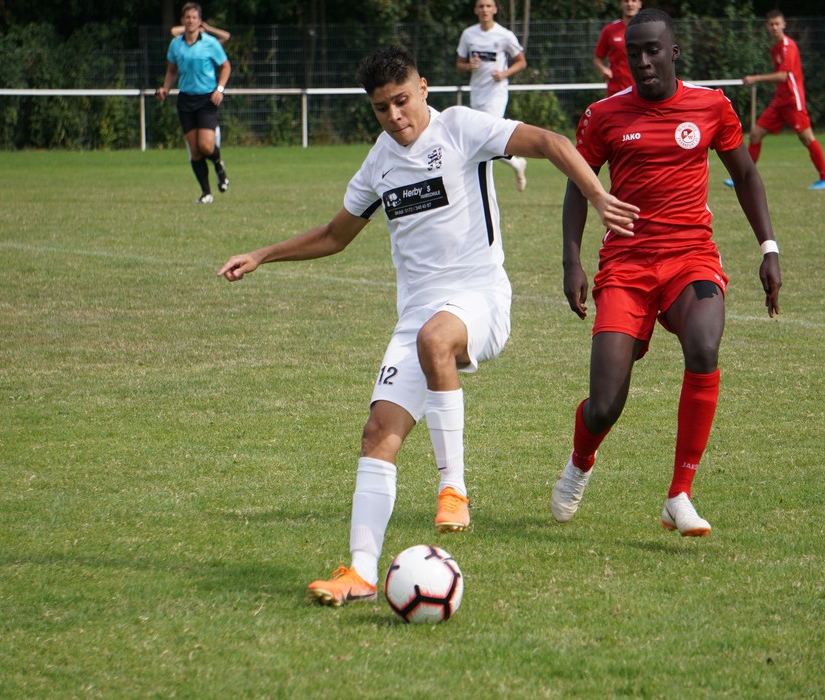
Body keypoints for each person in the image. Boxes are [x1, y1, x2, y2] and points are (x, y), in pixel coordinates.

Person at [218, 46, 638, 605]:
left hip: (481, 299)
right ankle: (362, 573)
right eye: (380, 108)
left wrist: (597, 194)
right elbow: (335, 235)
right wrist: (263, 254)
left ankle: (453, 488)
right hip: (416, 315)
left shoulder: (462, 128)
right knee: (377, 437)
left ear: (423, 87)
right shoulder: (378, 163)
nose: (394, 116)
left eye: (401, 100)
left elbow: (552, 144)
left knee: (435, 338)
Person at [551, 9, 781, 537]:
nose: (643, 61)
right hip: (627, 265)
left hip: (690, 257)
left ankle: (680, 493)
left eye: (653, 50)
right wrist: (572, 259)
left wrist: (768, 246)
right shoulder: (603, 116)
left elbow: (745, 174)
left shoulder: (710, 106)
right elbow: (577, 187)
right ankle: (580, 461)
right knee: (606, 404)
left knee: (704, 346)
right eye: (634, 53)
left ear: (673, 52)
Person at [725, 10, 825, 190]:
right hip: (779, 101)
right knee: (756, 134)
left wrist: (756, 78)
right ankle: (742, 177)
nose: (774, 27)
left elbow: (783, 76)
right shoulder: (774, 48)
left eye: (777, 24)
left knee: (807, 138)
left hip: (792, 101)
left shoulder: (787, 46)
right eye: (771, 24)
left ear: (784, 25)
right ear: (767, 26)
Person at [156, 2, 231, 204]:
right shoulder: (176, 44)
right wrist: (165, 88)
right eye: (187, 17)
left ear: (199, 21)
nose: (190, 20)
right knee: (195, 150)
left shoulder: (210, 43)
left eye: (194, 17)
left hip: (207, 99)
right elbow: (172, 71)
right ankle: (206, 193)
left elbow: (225, 67)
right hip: (186, 100)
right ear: (183, 20)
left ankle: (218, 165)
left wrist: (220, 90)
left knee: (206, 146)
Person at [456, 0, 530, 191]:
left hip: (496, 94)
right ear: (475, 10)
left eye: (488, 6)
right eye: (481, 6)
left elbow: (521, 62)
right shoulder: (468, 34)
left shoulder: (504, 35)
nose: (485, 10)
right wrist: (468, 66)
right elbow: (459, 64)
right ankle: (516, 163)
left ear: (495, 9)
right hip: (477, 93)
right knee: (480, 138)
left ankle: (482, 185)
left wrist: (504, 74)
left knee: (487, 137)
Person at [592, 0, 643, 97]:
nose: (630, 4)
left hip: (642, 89)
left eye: (633, 1)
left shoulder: (648, 29)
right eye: (626, 1)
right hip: (617, 91)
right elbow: (597, 59)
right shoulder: (610, 30)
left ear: (640, 3)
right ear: (620, 4)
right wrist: (603, 70)